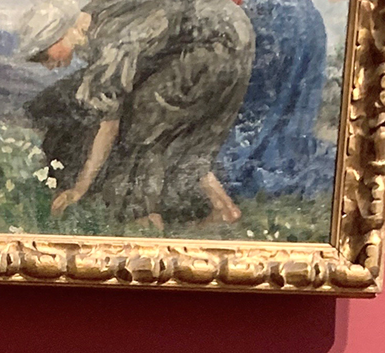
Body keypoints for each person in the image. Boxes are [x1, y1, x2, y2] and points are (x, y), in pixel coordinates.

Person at [19, 0, 254, 229]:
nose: (47, 65)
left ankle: (146, 217)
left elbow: (109, 126)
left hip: (215, 45)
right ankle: (223, 208)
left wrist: (80, 188)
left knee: (142, 120)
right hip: (234, 31)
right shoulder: (96, 13)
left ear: (60, 32)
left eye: (45, 55)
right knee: (182, 135)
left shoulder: (109, 46)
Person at [216, 0, 336, 205]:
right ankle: (275, 156)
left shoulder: (269, 18)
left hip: (274, 22)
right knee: (290, 117)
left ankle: (253, 162)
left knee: (259, 110)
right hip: (306, 20)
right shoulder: (306, 14)